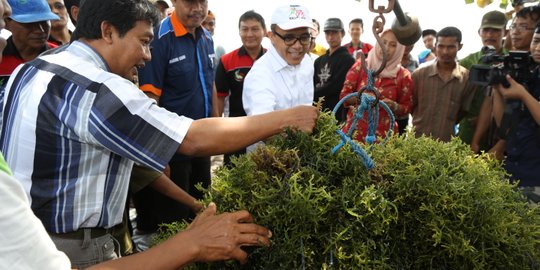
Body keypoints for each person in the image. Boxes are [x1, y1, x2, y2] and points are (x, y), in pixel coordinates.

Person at [0, 0, 318, 267]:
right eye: (143, 41)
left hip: (23, 234)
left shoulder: (33, 68)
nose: (148, 56)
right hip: (72, 248)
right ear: (107, 31)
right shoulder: (97, 89)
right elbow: (193, 137)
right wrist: (287, 119)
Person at [137, 0, 216, 234]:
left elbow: (209, 88)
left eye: (202, 1)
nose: (198, 8)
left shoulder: (207, 38)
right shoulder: (159, 39)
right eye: (190, 2)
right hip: (173, 151)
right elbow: (150, 99)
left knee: (202, 210)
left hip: (203, 146)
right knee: (174, 221)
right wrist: (158, 155)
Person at [491, 20, 540, 202]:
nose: (538, 47)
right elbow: (504, 126)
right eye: (536, 41)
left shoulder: (524, 86)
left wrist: (523, 95)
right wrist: (496, 90)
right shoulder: (528, 75)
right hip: (513, 173)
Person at [340, 29, 413, 142]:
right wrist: (362, 97)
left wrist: (393, 106)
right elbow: (344, 96)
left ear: (399, 50)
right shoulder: (361, 66)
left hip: (384, 139)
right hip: (354, 134)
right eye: (383, 42)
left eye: (393, 45)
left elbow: (407, 108)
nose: (386, 48)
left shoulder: (403, 76)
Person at [214, 10, 267, 165]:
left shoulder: (273, 60)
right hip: (236, 130)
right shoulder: (226, 61)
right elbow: (219, 97)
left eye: (255, 29)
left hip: (267, 129)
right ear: (239, 32)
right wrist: (218, 129)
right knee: (235, 175)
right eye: (245, 29)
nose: (249, 34)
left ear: (264, 32)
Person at [242, 3, 315, 116]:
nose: (298, 46)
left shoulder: (307, 62)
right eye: (289, 38)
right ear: (272, 37)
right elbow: (263, 127)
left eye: (304, 37)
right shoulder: (260, 76)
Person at [458, 10, 508, 154]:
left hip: (499, 135)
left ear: (505, 32)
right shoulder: (467, 62)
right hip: (468, 131)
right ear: (479, 32)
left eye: (495, 30)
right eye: (486, 30)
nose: (489, 35)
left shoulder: (511, 63)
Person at [412, 26, 473, 142]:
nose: (445, 52)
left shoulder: (466, 79)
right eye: (441, 46)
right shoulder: (419, 75)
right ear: (435, 47)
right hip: (416, 142)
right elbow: (412, 105)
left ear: (459, 47)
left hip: (445, 145)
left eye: (450, 47)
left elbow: (463, 111)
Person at [0, 0, 59, 84]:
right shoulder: (1, 59)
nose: (40, 30)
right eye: (30, 23)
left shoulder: (61, 56)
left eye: (44, 22)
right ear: (6, 22)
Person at [313, 17, 355, 123]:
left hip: (337, 113)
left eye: (334, 33)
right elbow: (311, 84)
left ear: (342, 34)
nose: (331, 37)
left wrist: (313, 93)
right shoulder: (318, 61)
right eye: (328, 33)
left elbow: (337, 86)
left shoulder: (348, 60)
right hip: (316, 112)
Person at [399, 43, 419, 134]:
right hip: (386, 111)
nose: (407, 46)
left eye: (410, 44)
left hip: (404, 112)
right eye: (404, 43)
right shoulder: (389, 61)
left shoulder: (415, 63)